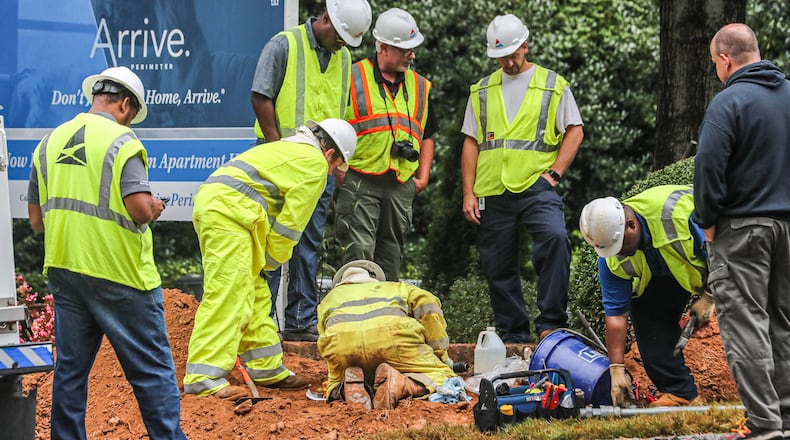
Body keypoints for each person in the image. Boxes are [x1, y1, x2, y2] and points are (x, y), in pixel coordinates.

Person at [27, 67, 186, 439]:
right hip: (120, 274)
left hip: (65, 269)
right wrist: (156, 207)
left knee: (70, 371)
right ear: (125, 104)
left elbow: (36, 220)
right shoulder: (122, 141)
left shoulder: (50, 140)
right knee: (151, 372)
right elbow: (139, 208)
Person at [183, 118, 357, 399]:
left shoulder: (291, 148)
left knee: (255, 291)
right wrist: (271, 260)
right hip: (230, 213)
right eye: (335, 166)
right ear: (330, 155)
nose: (332, 172)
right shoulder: (314, 164)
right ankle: (202, 377)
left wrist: (262, 266)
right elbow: (291, 226)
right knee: (228, 292)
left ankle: (265, 367)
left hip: (229, 209)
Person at [250, 0, 372, 342]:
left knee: (308, 244)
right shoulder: (284, 44)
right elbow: (261, 96)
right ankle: (262, 324)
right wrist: (277, 150)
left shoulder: (343, 58)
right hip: (281, 164)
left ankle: (300, 321)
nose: (344, 46)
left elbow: (340, 112)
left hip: (321, 167)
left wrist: (337, 167)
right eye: (343, 37)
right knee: (273, 242)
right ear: (328, 21)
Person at [460, 14, 584, 343]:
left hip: (536, 187)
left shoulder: (552, 85)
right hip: (491, 188)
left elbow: (575, 130)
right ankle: (514, 335)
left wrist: (554, 174)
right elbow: (471, 142)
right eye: (502, 56)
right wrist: (468, 193)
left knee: (556, 239)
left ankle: (551, 325)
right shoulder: (482, 90)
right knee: (498, 265)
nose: (509, 61)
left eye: (514, 54)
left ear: (525, 46)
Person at [693, 23, 790, 440]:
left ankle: (765, 426)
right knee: (782, 324)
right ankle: (786, 419)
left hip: (742, 228)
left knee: (746, 324)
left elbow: (708, 169)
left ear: (724, 59)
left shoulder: (727, 102)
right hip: (788, 227)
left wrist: (709, 222)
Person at [579, 185, 712, 408]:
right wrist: (616, 371)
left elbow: (727, 251)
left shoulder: (678, 214)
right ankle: (680, 394)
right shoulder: (611, 254)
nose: (617, 253)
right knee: (647, 312)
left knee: (744, 313)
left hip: (728, 253)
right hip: (667, 272)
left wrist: (710, 296)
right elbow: (616, 318)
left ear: (631, 225)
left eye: (619, 246)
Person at [334, 8, 436, 281]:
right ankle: (356, 317)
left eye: (413, 49)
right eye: (406, 50)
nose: (412, 55)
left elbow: (428, 135)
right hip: (359, 178)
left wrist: (422, 178)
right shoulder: (351, 77)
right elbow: (332, 127)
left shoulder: (420, 86)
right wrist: (338, 169)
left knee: (392, 254)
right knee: (358, 253)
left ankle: (388, 318)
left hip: (400, 182)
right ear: (383, 47)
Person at [317, 260, 456, 409]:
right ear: (374, 277)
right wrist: (440, 354)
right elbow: (429, 304)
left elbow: (325, 338)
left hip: (344, 350)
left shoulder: (328, 300)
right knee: (444, 377)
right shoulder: (397, 288)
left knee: (334, 384)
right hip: (395, 343)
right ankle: (402, 385)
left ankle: (344, 389)